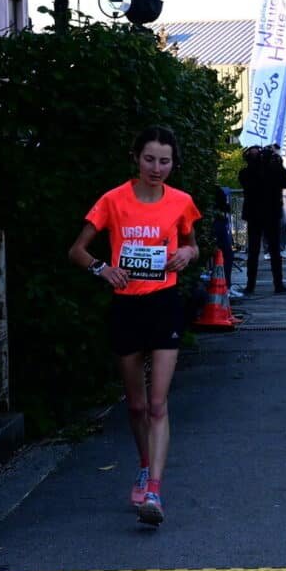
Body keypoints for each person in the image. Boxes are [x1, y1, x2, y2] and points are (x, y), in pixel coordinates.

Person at [68, 126, 201, 526]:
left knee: (158, 403)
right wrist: (101, 269)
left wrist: (186, 254)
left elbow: (192, 243)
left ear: (173, 164)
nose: (157, 168)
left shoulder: (181, 202)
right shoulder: (113, 200)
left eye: (164, 161)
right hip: (126, 307)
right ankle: (144, 464)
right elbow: (76, 250)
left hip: (164, 305)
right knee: (137, 404)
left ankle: (155, 491)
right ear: (136, 159)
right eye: (149, 159)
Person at [239, 144, 286, 295]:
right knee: (273, 251)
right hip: (270, 214)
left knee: (255, 252)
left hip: (256, 215)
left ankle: (251, 286)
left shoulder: (246, 172)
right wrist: (275, 162)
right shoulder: (252, 172)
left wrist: (274, 163)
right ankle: (278, 284)